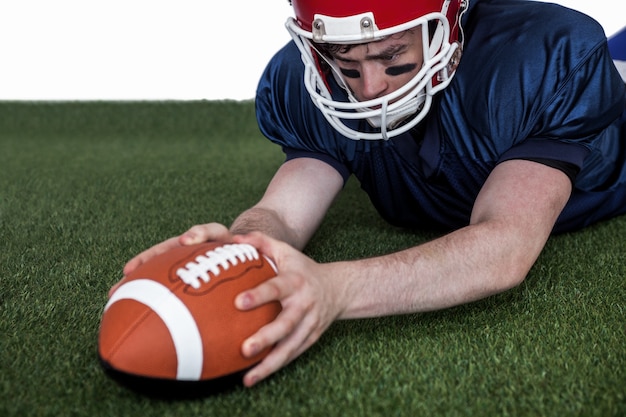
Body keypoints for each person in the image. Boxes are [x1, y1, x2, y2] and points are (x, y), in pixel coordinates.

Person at [118, 0, 626, 387]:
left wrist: (337, 288)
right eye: (347, 63)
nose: (369, 90)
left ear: (447, 27)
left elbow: (505, 245)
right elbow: (281, 214)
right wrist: (242, 245)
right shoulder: (306, 82)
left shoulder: (543, 59)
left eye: (393, 58)